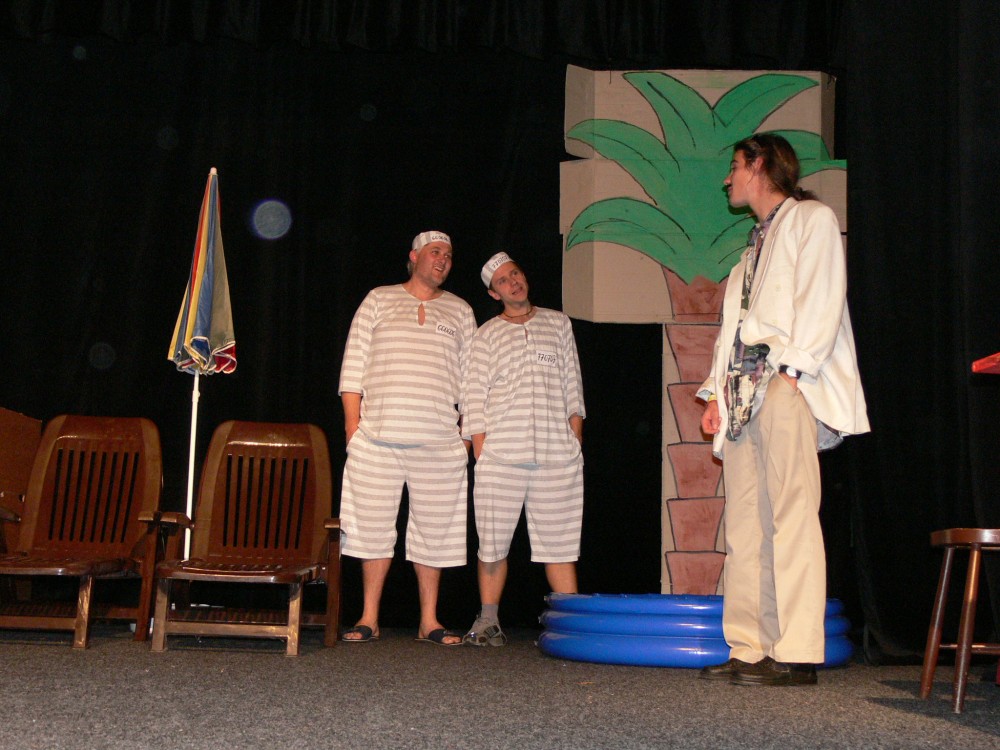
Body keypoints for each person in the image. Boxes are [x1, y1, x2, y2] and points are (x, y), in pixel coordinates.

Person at [697, 134, 870, 686]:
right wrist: (715, 396)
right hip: (742, 397)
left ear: (759, 165)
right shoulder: (749, 253)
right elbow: (733, 334)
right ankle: (749, 646)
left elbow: (822, 297)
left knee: (791, 517)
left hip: (782, 383)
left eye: (734, 165)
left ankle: (795, 651)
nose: (727, 178)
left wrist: (793, 372)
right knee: (746, 525)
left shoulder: (811, 219)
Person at [338, 230, 476, 646]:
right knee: (370, 527)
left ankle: (429, 621)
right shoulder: (378, 299)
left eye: (448, 254)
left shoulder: (461, 310)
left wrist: (465, 439)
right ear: (414, 257)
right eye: (435, 252)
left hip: (439, 442)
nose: (443, 259)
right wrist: (352, 429)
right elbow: (353, 366)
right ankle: (369, 617)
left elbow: (474, 380)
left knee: (436, 531)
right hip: (376, 438)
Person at [461, 252, 585, 646]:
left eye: (515, 273)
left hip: (556, 456)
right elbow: (473, 396)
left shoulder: (558, 323)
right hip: (502, 457)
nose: (513, 282)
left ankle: (572, 627)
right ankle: (488, 622)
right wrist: (482, 450)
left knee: (560, 545)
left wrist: (574, 438)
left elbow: (572, 386)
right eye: (503, 280)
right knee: (492, 543)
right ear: (493, 293)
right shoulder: (486, 335)